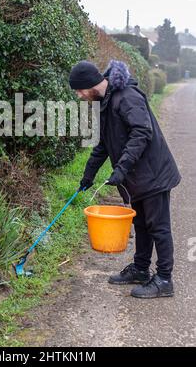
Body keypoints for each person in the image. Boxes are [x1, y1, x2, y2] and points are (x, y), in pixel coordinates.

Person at [69, 59, 181, 299]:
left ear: (89, 84)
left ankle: (164, 279)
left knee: (158, 227)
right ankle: (141, 269)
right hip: (137, 177)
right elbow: (104, 144)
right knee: (141, 224)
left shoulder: (127, 97)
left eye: (79, 90)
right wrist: (88, 175)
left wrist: (121, 168)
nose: (79, 96)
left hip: (153, 173)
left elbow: (142, 132)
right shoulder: (105, 101)